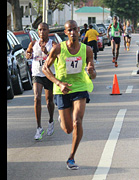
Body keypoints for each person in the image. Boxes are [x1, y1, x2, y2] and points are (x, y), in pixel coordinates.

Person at [42, 20, 96, 170]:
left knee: (77, 121)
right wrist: (58, 83)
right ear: (65, 33)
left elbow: (93, 75)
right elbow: (45, 68)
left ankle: (71, 157)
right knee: (67, 129)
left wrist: (92, 72)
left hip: (80, 87)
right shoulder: (58, 49)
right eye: (69, 30)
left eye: (74, 29)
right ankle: (62, 116)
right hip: (62, 89)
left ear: (79, 30)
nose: (72, 32)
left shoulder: (87, 50)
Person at [26, 22, 57, 140]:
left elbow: (56, 57)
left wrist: (46, 53)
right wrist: (28, 54)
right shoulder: (33, 43)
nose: (41, 32)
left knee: (49, 101)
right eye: (39, 30)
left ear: (48, 31)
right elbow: (28, 53)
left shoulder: (53, 44)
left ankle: (50, 121)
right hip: (37, 74)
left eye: (44, 29)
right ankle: (39, 127)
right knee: (37, 98)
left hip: (49, 74)